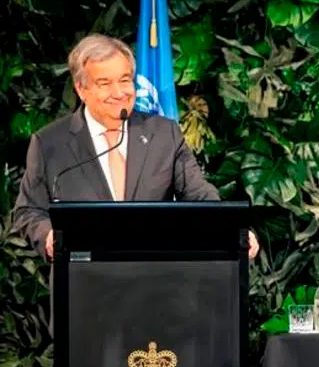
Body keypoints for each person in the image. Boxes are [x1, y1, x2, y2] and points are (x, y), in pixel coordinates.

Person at [12, 33, 260, 260]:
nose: (119, 92)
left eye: (125, 80)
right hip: (83, 282)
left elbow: (199, 195)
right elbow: (27, 211)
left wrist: (232, 230)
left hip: (155, 278)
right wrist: (48, 236)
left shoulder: (163, 134)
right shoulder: (50, 143)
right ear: (81, 89)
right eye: (104, 83)